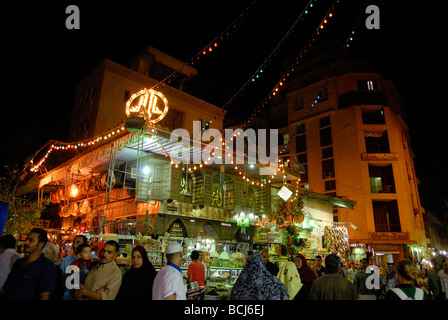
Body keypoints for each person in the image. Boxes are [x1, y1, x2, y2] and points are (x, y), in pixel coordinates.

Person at [3, 228, 57, 300]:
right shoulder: (18, 263)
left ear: (41, 244)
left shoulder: (46, 266)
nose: (26, 243)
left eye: (31, 240)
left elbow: (44, 296)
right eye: (26, 239)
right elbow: (7, 288)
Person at [60, 235, 89, 300]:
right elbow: (61, 277)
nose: (75, 246)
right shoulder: (67, 260)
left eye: (78, 243)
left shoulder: (91, 260)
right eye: (74, 243)